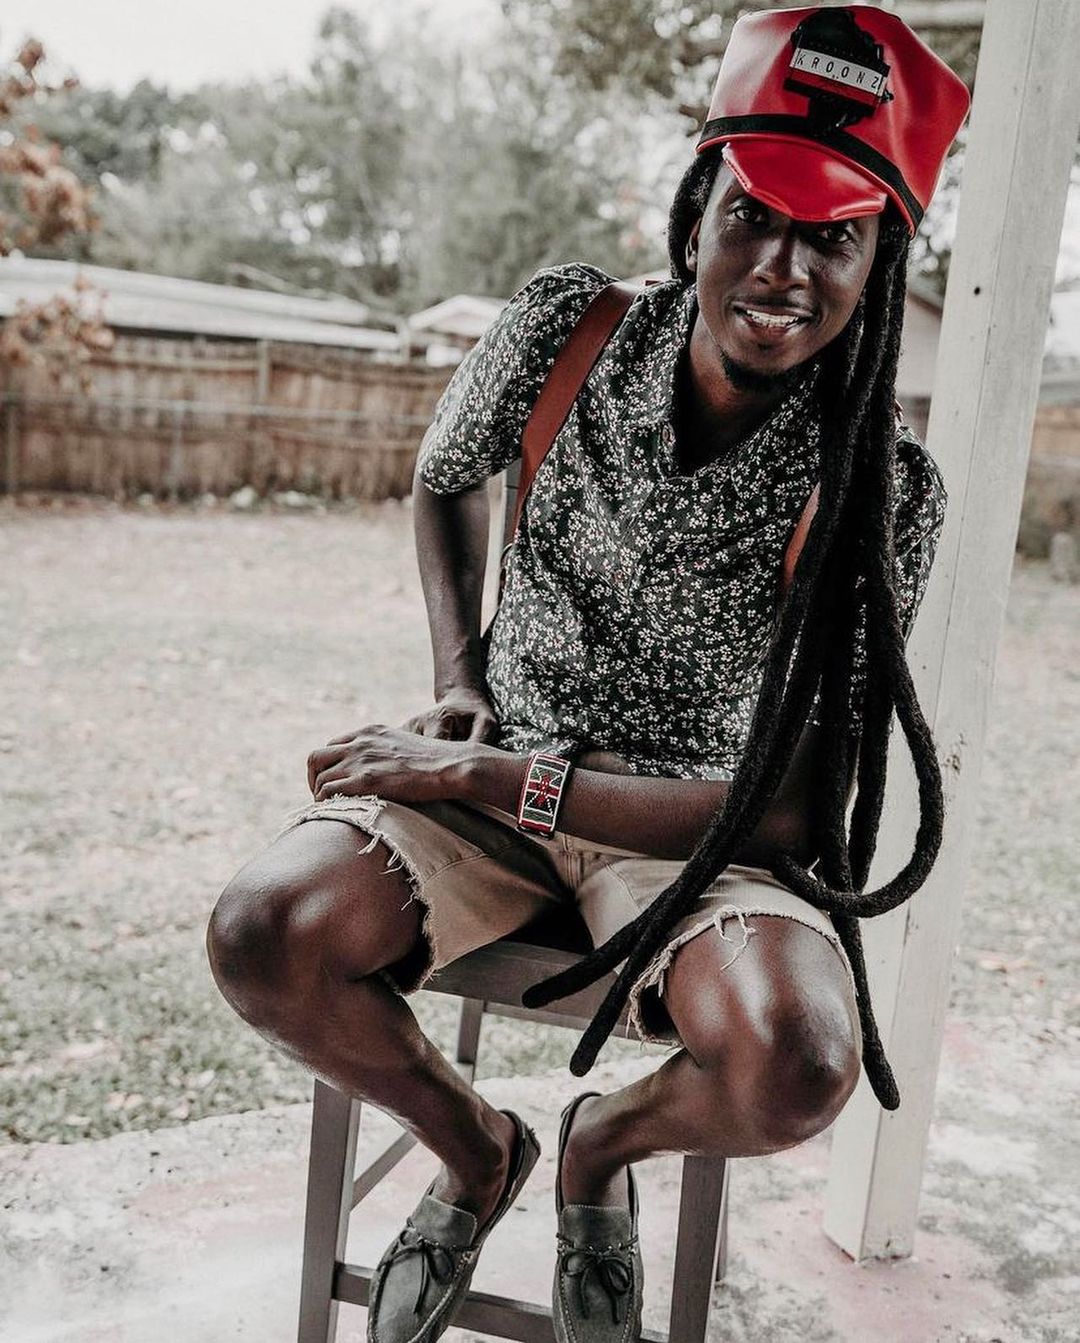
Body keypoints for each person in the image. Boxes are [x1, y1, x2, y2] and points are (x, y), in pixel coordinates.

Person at [206, 7, 970, 1341]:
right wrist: (460, 677)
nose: (783, 267)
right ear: (696, 213)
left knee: (797, 1064)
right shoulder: (570, 328)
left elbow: (791, 809)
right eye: (753, 216)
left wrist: (492, 776)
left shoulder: (879, 490)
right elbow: (446, 476)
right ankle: (476, 1148)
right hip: (489, 772)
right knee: (264, 932)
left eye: (833, 238)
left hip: (696, 829)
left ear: (877, 268)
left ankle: (597, 1149)